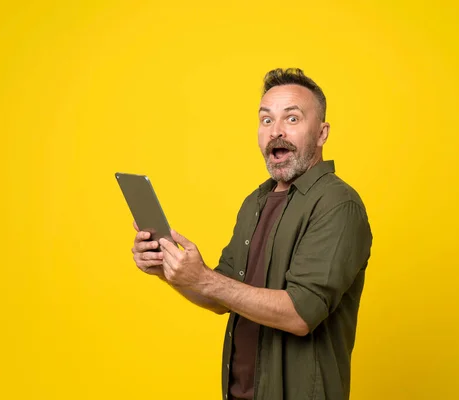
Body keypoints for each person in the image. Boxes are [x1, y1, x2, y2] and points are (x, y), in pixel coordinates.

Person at [131, 68, 373, 400]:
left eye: (292, 119)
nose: (276, 132)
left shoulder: (338, 204)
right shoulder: (254, 203)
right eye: (266, 120)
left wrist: (203, 279)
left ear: (321, 133)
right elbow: (220, 298)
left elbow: (301, 314)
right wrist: (169, 270)